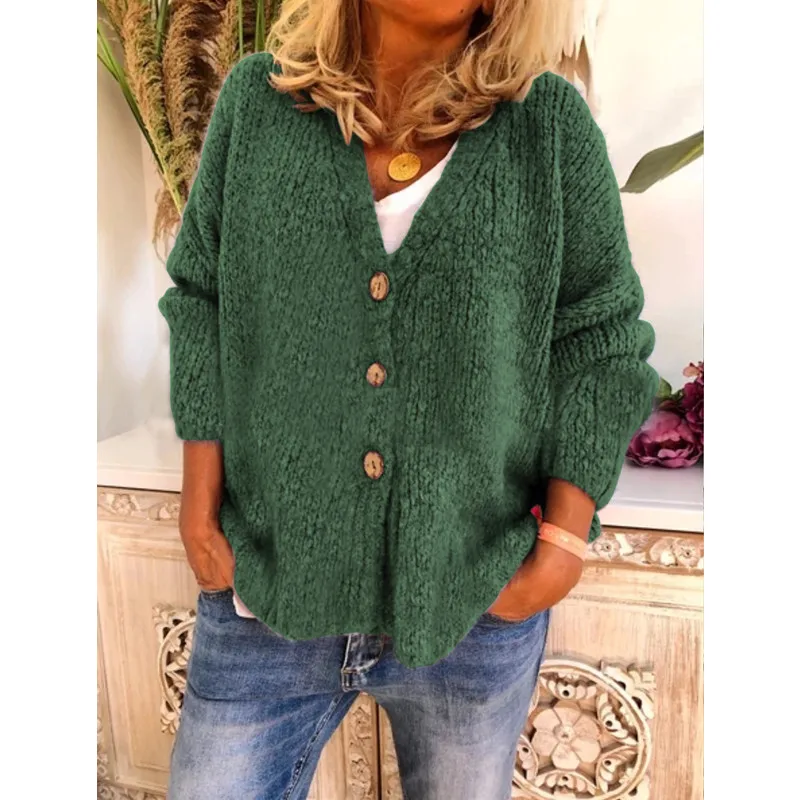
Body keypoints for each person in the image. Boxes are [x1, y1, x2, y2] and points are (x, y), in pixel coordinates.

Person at [159, 1, 658, 798]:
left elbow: (599, 339)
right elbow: (201, 302)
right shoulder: (258, 106)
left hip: (471, 596)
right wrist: (198, 509)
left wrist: (563, 546)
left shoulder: (548, 128)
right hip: (268, 585)